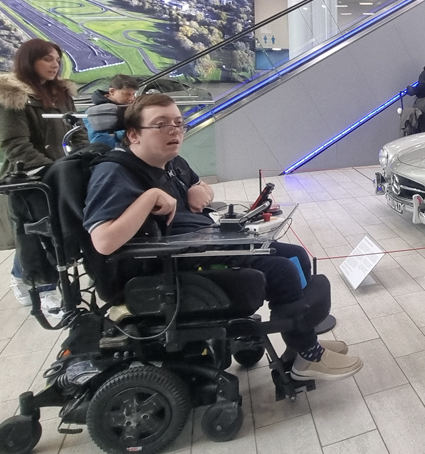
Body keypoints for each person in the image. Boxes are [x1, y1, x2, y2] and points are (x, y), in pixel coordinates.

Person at [83, 93, 362, 381]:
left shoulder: (171, 162)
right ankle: (308, 356)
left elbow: (203, 189)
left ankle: (301, 345)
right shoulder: (115, 173)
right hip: (168, 266)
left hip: (200, 245)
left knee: (295, 254)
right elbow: (103, 242)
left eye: (179, 123)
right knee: (283, 270)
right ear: (133, 135)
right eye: (161, 124)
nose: (174, 131)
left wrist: (198, 190)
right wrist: (150, 198)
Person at [0, 38, 88, 310]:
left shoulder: (61, 93)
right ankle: (34, 282)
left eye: (57, 59)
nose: (55, 65)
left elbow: (78, 133)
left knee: (59, 233)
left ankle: (45, 282)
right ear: (30, 61)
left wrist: (85, 160)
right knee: (34, 235)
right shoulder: (10, 96)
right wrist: (52, 171)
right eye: (47, 59)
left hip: (62, 174)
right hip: (29, 178)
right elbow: (15, 144)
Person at [85, 74, 139, 148]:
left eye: (133, 94)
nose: (132, 99)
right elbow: (100, 140)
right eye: (127, 94)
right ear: (112, 91)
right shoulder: (96, 112)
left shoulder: (128, 107)